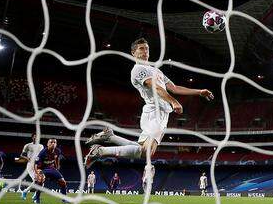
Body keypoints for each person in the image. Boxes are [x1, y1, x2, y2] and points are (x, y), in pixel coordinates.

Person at [84, 38, 214, 167]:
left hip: (159, 113)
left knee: (142, 151)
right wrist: (174, 102)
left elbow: (174, 88)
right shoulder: (137, 70)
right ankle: (100, 151)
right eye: (141, 48)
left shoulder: (157, 71)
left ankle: (109, 137)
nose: (145, 51)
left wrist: (199, 91)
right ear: (133, 53)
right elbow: (155, 88)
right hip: (155, 111)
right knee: (146, 153)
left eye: (147, 48)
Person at [34, 139, 68, 204]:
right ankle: (37, 199)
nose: (53, 143)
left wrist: (57, 166)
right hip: (42, 169)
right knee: (41, 180)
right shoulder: (42, 152)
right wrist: (37, 174)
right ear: (47, 144)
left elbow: (57, 158)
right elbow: (35, 165)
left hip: (52, 169)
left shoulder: (58, 151)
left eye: (54, 142)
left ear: (56, 144)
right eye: (51, 142)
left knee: (63, 182)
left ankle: (64, 199)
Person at [19, 134, 44, 200]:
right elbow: (21, 155)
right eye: (35, 137)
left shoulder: (41, 146)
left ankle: (35, 195)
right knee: (36, 180)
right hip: (30, 165)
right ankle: (25, 192)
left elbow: (42, 156)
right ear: (32, 138)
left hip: (38, 165)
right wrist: (27, 158)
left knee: (42, 180)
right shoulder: (28, 145)